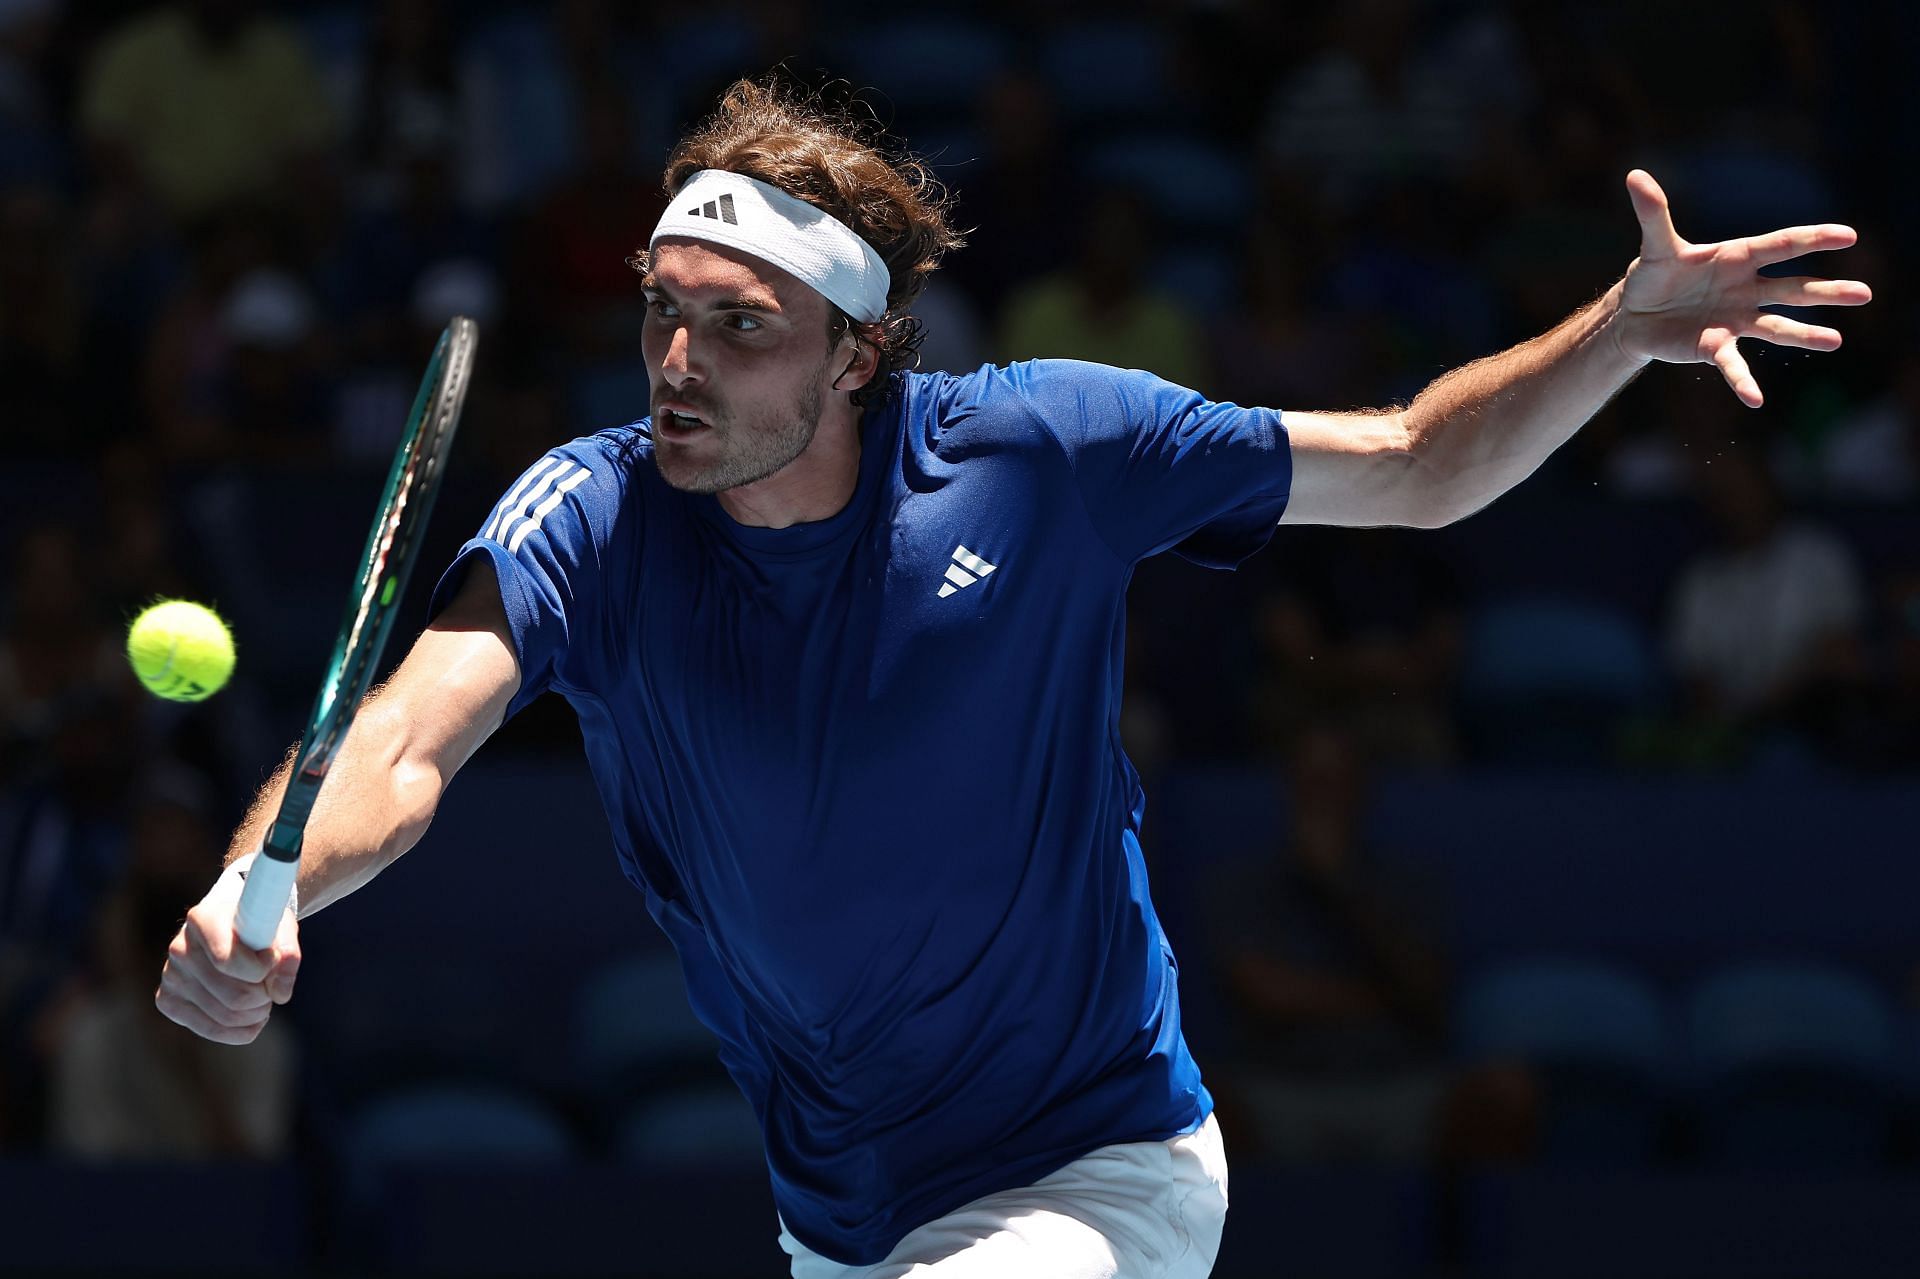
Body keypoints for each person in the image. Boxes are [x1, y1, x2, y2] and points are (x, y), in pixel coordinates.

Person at [154, 77, 1870, 1279]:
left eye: (738, 325)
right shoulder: (594, 520)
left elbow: (1418, 462)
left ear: (857, 352)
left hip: (1094, 1165)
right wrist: (268, 877)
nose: (678, 363)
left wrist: (1620, 331)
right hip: (842, 1218)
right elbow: (403, 741)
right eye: (661, 312)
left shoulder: (1047, 449)